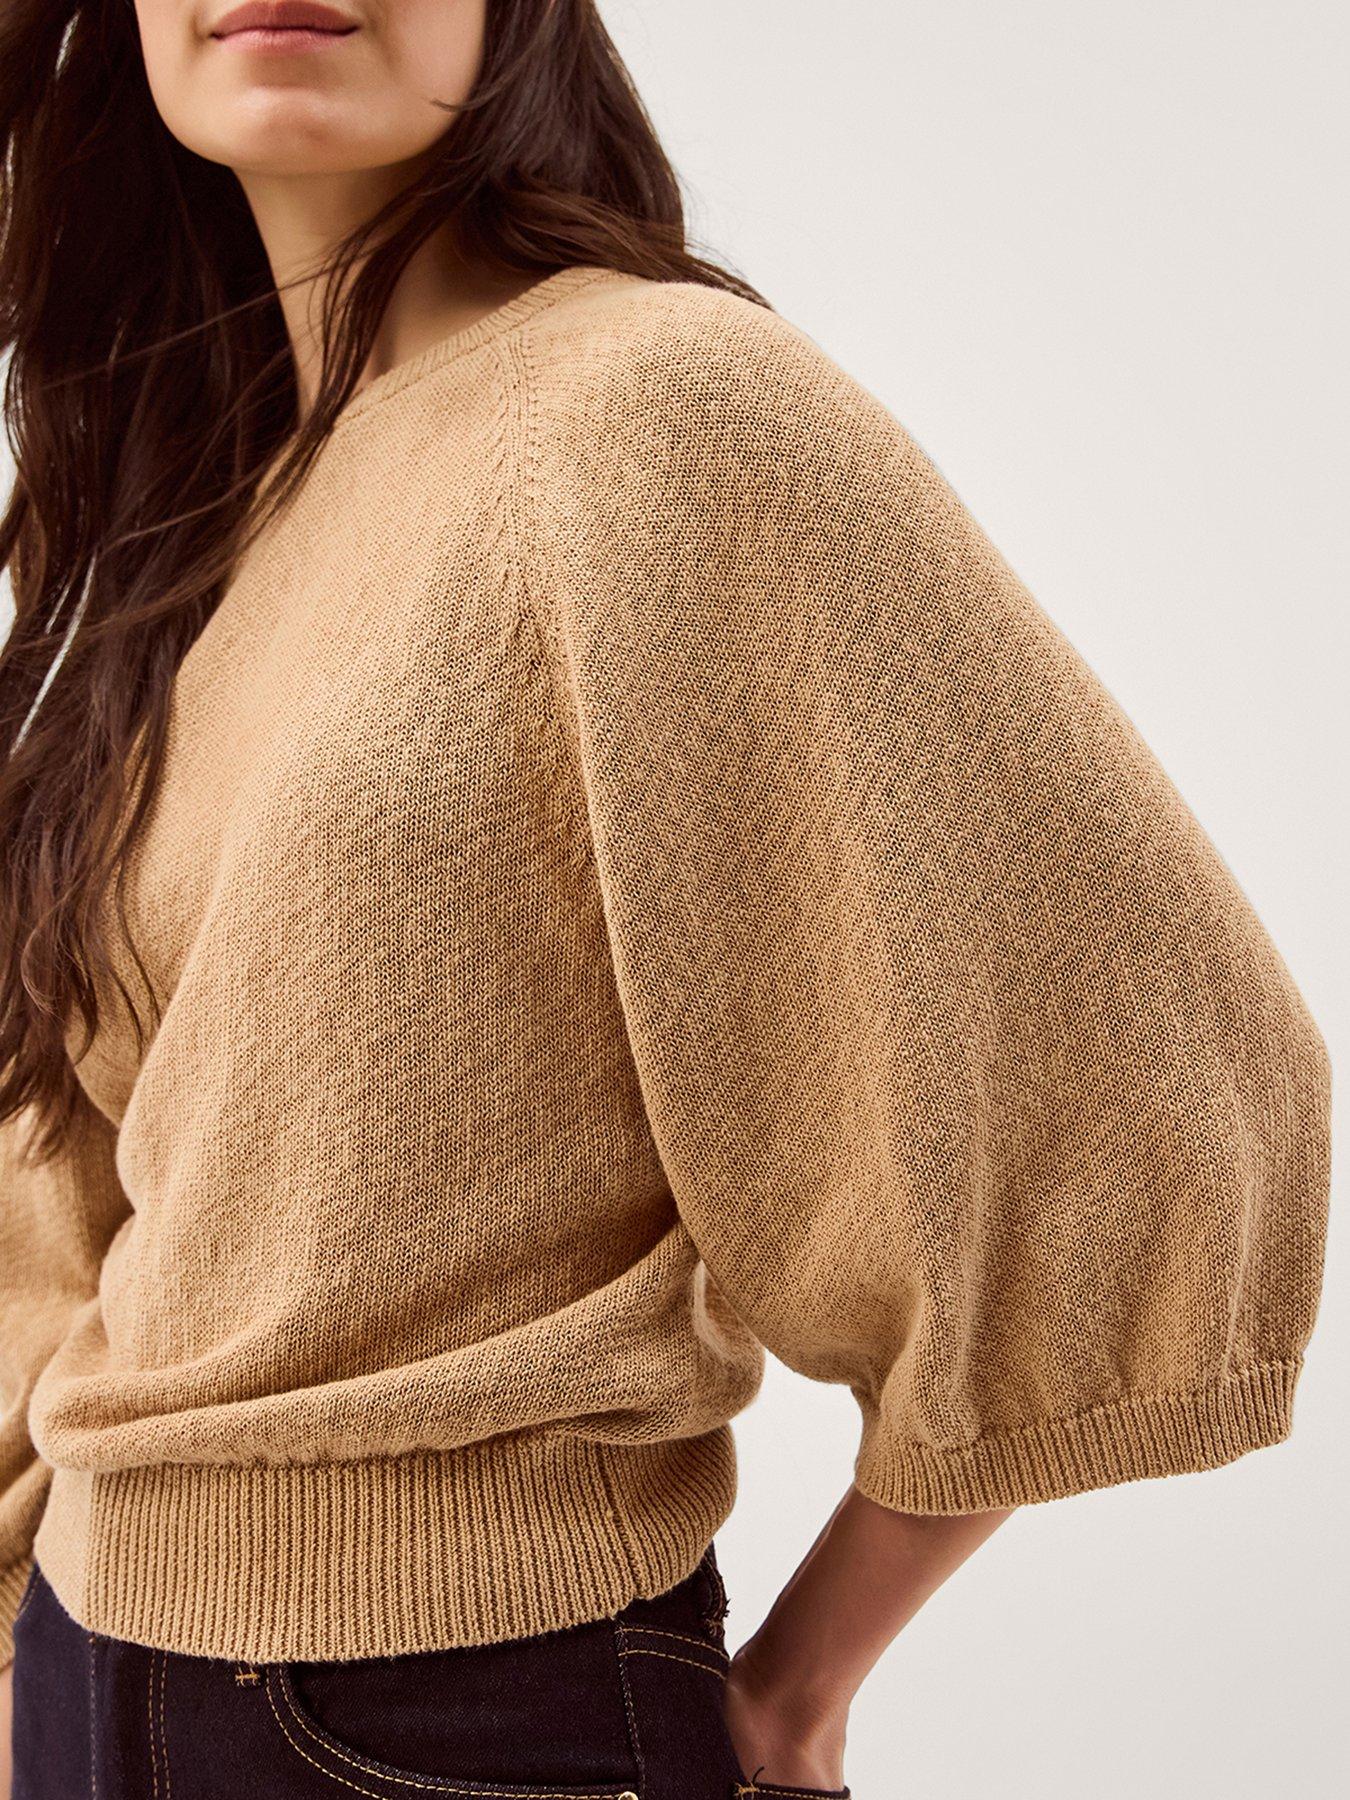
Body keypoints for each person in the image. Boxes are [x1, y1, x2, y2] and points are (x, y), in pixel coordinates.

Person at [0, 3, 1331, 1796]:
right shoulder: (204, 506)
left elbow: (1136, 1074)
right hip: (83, 1668)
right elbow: (63, 1179)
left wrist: (798, 1688)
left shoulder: (651, 410)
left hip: (435, 1710)